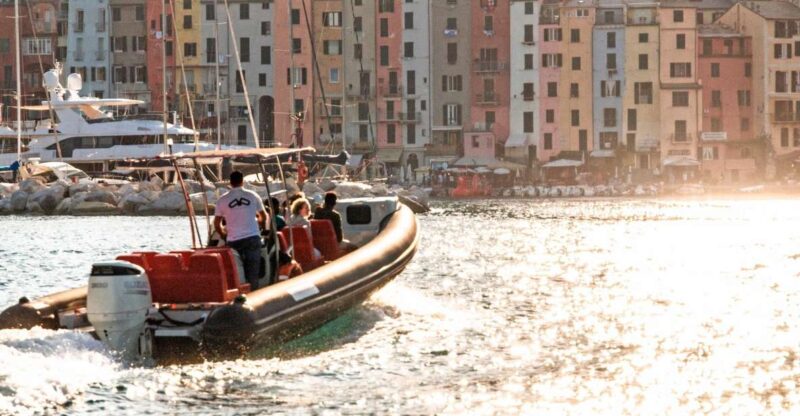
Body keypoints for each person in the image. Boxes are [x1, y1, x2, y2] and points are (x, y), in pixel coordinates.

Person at [214, 171, 268, 289]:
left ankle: (238, 296)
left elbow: (217, 224)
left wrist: (224, 235)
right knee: (253, 273)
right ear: (242, 181)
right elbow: (263, 216)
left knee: (236, 274)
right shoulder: (253, 196)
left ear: (230, 182)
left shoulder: (222, 200)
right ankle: (254, 296)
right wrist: (260, 226)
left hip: (233, 240)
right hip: (252, 238)